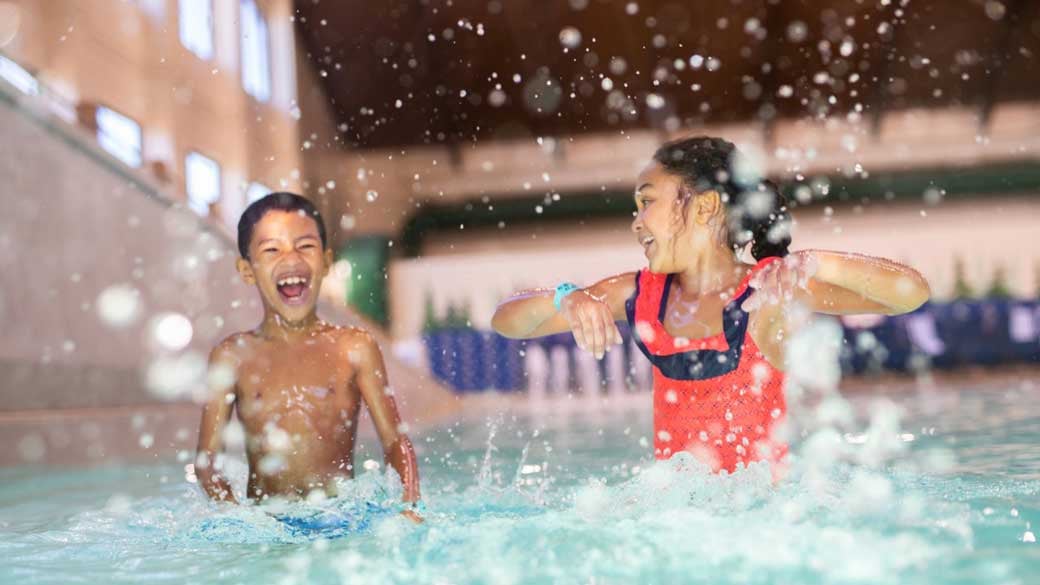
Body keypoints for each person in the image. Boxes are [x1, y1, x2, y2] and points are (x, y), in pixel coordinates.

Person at [491, 136, 930, 473]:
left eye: (647, 202)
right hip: (680, 520)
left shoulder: (767, 293)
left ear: (704, 207)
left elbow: (909, 294)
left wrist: (816, 263)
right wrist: (568, 298)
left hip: (759, 521)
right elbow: (509, 321)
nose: (636, 222)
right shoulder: (640, 293)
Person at [194, 192, 423, 524]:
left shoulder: (353, 347)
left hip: (341, 518)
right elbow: (207, 462)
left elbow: (395, 441)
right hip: (268, 522)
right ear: (247, 270)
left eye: (305, 246)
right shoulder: (233, 356)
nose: (291, 259)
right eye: (271, 249)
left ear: (326, 262)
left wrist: (409, 506)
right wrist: (240, 518)